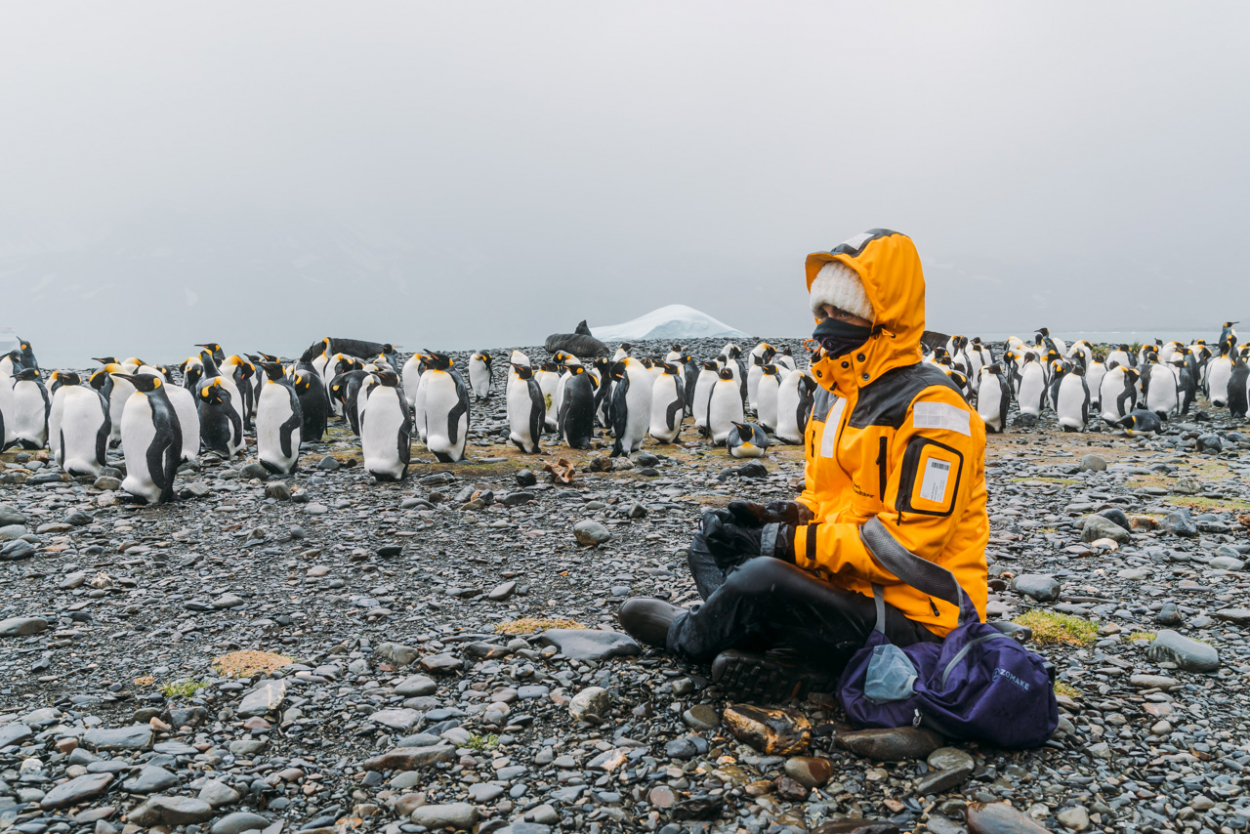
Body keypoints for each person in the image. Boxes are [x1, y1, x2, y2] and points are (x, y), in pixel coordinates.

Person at [618, 229, 990, 701]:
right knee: (709, 546)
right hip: (850, 589)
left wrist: (782, 545)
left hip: (920, 616)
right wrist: (770, 517)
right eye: (823, 311)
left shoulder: (935, 410)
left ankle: (689, 637)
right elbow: (824, 499)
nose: (827, 324)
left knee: (761, 579)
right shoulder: (835, 393)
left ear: (884, 312)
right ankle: (785, 653)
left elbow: (905, 549)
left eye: (844, 311)